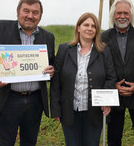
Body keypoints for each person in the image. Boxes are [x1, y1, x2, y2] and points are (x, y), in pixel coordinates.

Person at [0, 0, 55, 146]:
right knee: (5, 142)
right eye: (26, 11)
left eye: (35, 12)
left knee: (30, 142)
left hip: (35, 101)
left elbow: (52, 62)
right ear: (18, 12)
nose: (30, 16)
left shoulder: (48, 37)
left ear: (40, 16)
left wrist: (52, 69)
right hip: (7, 99)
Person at [50, 12, 116, 146]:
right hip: (69, 111)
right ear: (78, 27)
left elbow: (111, 77)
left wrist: (107, 101)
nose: (90, 28)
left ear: (97, 30)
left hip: (95, 112)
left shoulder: (104, 51)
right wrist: (56, 109)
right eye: (86, 24)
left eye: (93, 26)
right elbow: (56, 80)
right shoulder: (64, 49)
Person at [102, 0, 134, 146]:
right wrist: (112, 86)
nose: (122, 16)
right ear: (113, 15)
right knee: (113, 138)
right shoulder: (103, 37)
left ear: (131, 15)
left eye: (126, 13)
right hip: (114, 96)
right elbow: (101, 66)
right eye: (119, 13)